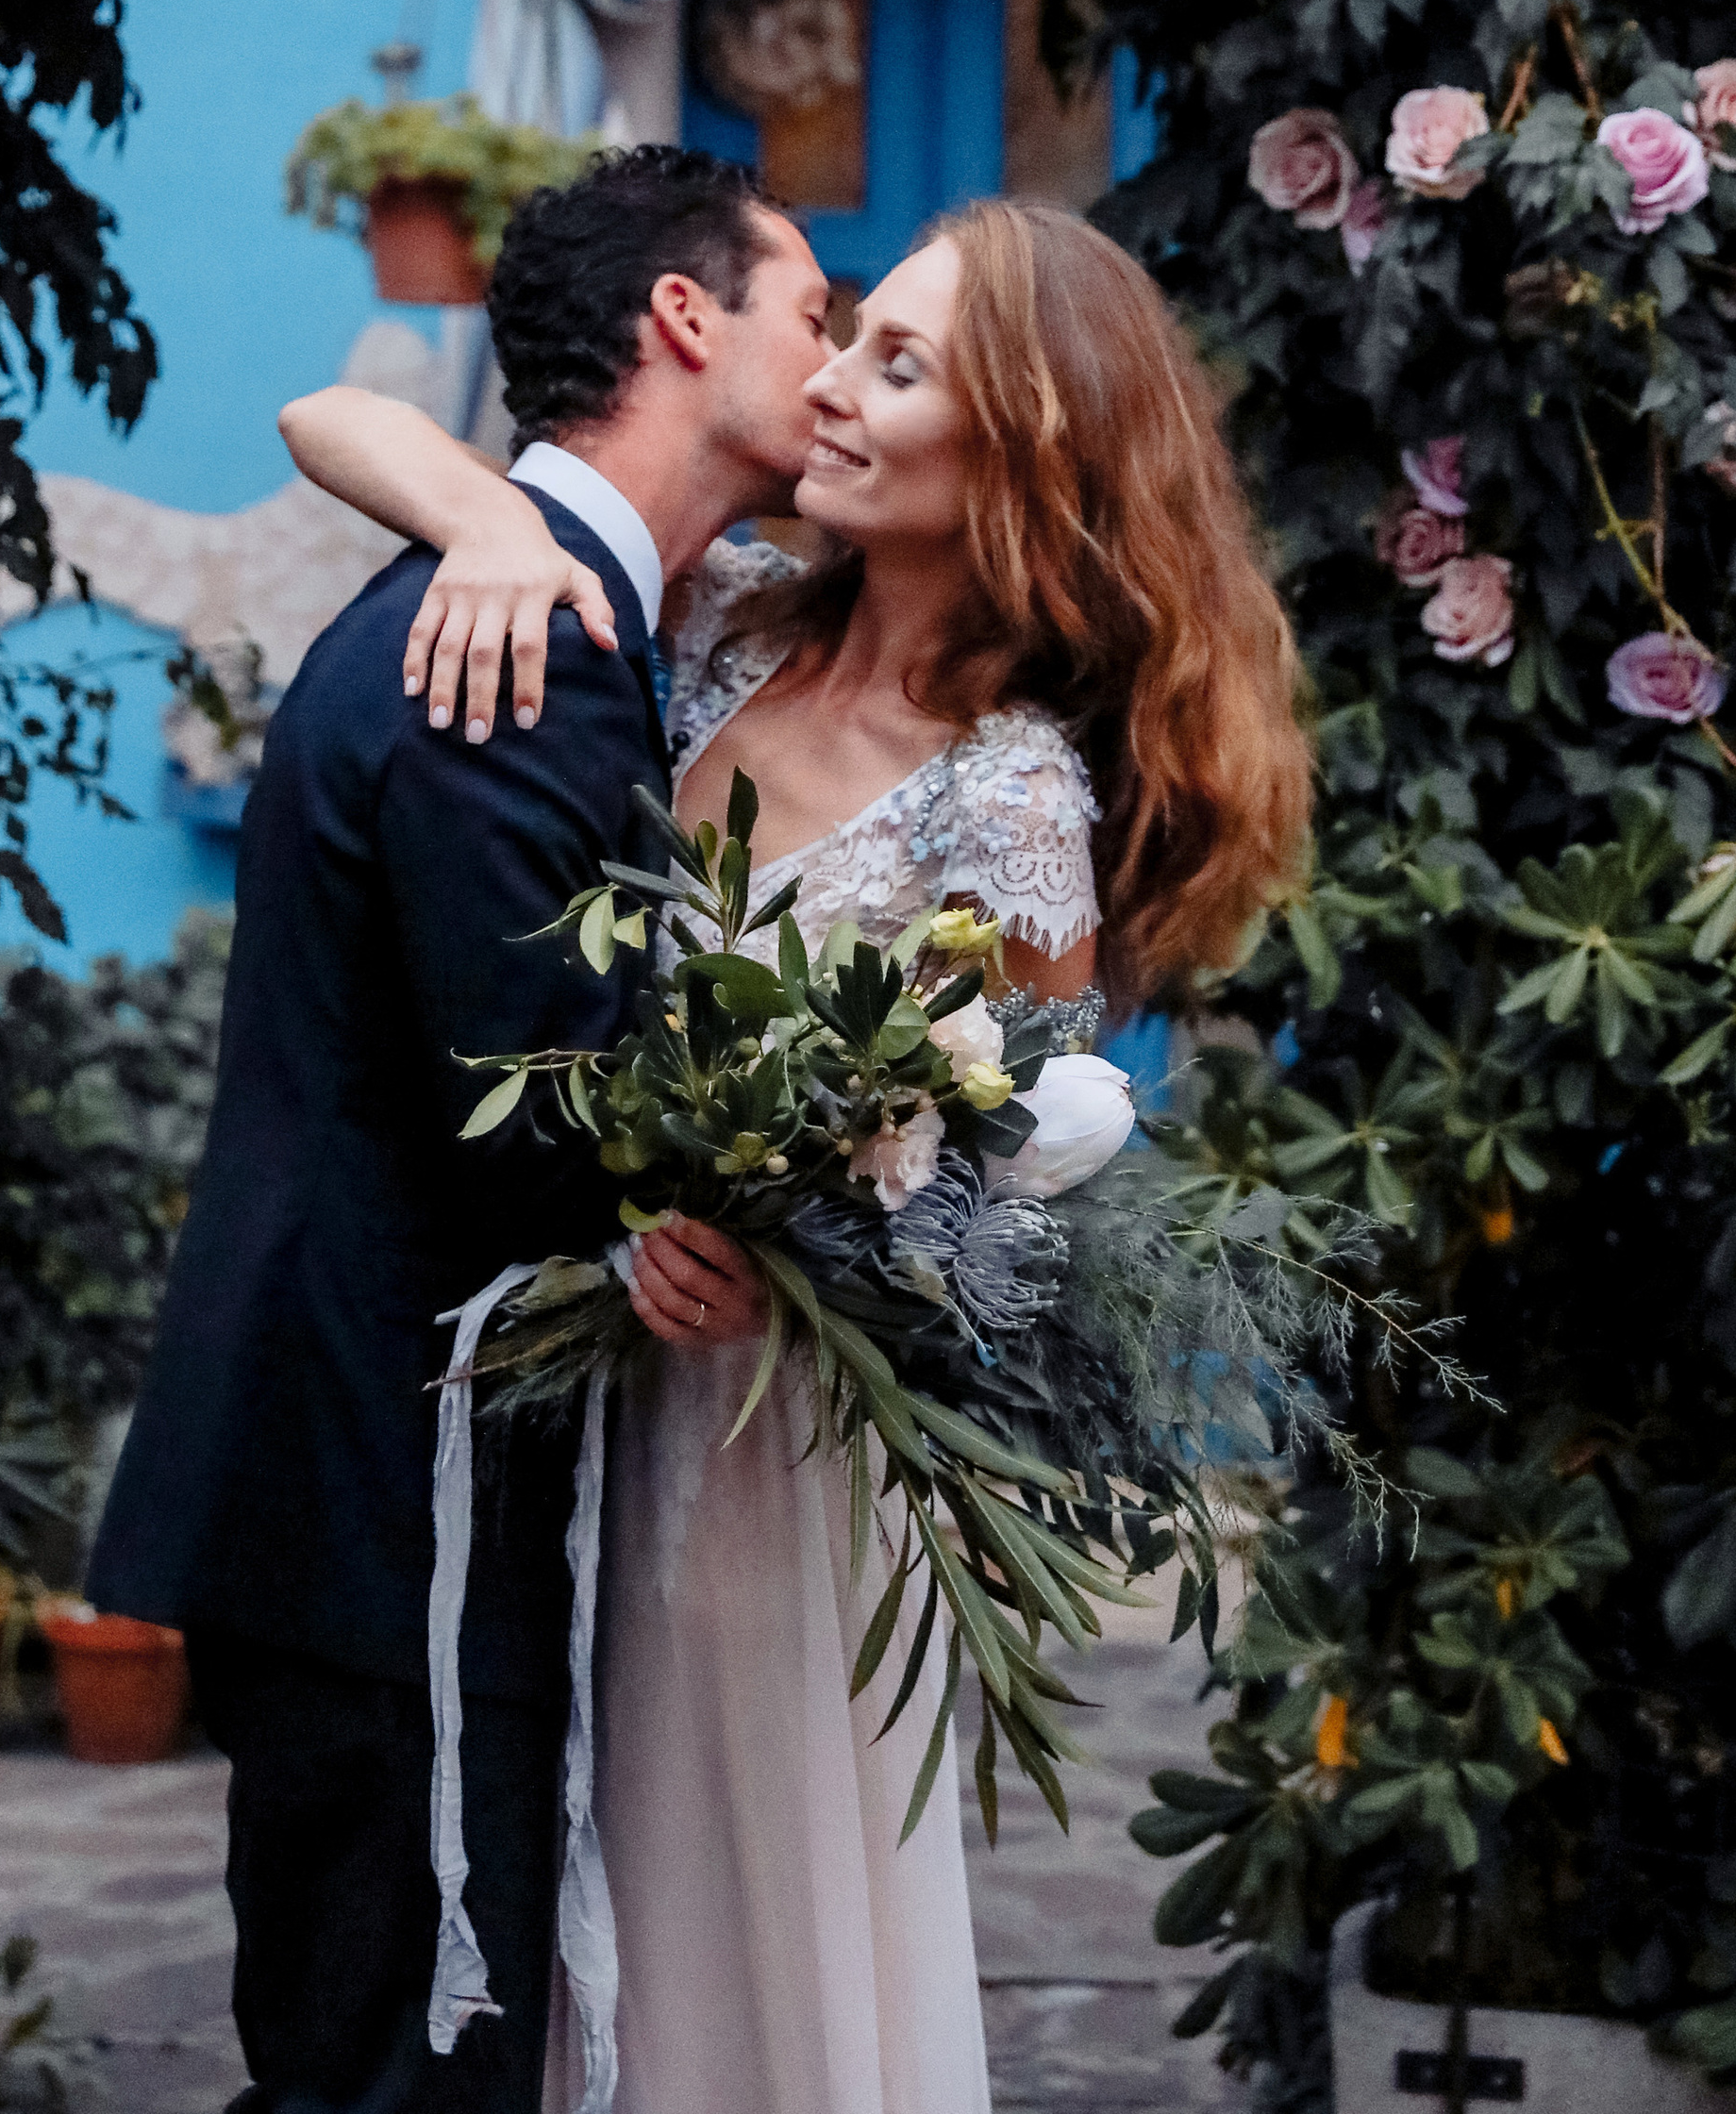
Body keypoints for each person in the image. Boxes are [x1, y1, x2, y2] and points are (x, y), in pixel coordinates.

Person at [279, 195, 1314, 2114]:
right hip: (576, 1417)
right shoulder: (721, 618)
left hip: (775, 1458)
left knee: (732, 1944)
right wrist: (492, 520)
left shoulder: (1009, 796)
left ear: (1018, 445)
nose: (828, 384)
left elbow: (1000, 1189)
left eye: (894, 362)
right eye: (840, 334)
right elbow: (320, 426)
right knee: (546, 1923)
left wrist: (804, 1253)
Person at [89, 146, 834, 2114]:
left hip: (376, 1459)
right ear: (686, 321)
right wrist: (826, 1174)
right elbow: (548, 1109)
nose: (833, 370)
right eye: (812, 316)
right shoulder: (512, 652)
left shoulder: (557, 597)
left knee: (396, 2033)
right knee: (398, 2057)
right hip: (383, 1470)